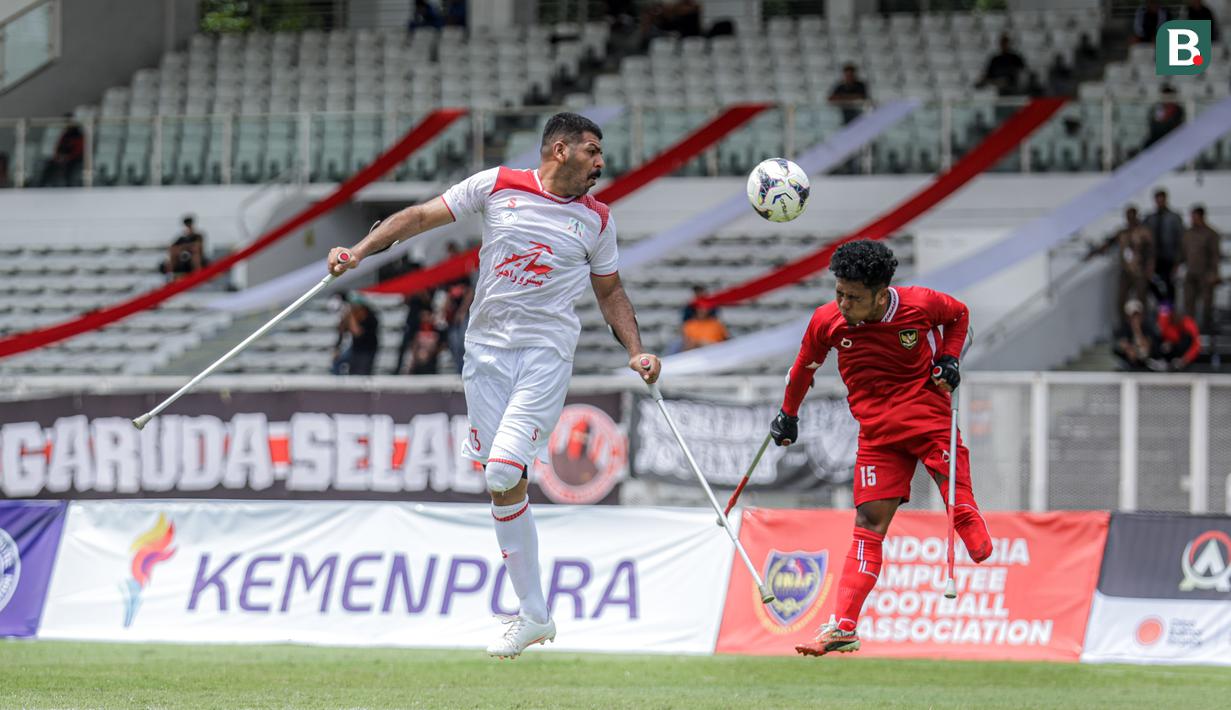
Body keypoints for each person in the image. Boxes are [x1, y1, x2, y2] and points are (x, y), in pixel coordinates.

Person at [326, 112, 661, 659]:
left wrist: (636, 350)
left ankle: (531, 614)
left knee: (506, 467)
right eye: (592, 151)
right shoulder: (497, 184)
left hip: (545, 353)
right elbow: (416, 217)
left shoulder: (598, 221)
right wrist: (357, 253)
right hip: (483, 353)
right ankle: (535, 615)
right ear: (559, 150)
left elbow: (611, 292)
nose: (601, 164)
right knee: (500, 485)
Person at [769, 240, 993, 658]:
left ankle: (965, 516)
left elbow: (960, 316)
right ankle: (843, 628)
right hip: (876, 433)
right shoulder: (827, 322)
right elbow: (803, 368)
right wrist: (788, 414)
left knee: (956, 497)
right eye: (838, 293)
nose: (843, 303)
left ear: (880, 293)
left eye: (853, 297)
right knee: (868, 523)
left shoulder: (920, 304)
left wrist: (949, 358)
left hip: (926, 415)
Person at [1090, 206, 1155, 314]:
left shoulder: (1144, 233)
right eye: (1128, 216)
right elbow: (1109, 243)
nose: (1130, 219)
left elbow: (1151, 252)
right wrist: (1097, 251)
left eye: (1132, 216)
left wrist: (1149, 267)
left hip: (1140, 270)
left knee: (1141, 299)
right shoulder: (1123, 233)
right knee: (1121, 299)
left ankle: (1143, 324)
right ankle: (1124, 325)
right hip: (1126, 270)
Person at [1180, 205, 1221, 334]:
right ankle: (1189, 329)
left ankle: (1206, 328)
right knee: (1188, 302)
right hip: (1191, 272)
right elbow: (1182, 252)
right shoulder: (1188, 233)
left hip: (1205, 273)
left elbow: (1215, 255)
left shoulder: (1210, 234)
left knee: (1206, 303)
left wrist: (1214, 273)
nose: (1192, 219)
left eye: (1195, 217)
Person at [1144, 189, 1184, 303]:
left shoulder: (1174, 218)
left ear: (1166, 200)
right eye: (1158, 200)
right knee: (1149, 282)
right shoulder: (1150, 218)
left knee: (1170, 284)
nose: (1160, 202)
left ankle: (1170, 311)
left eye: (1162, 200)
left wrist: (1178, 260)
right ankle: (1162, 303)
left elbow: (1180, 239)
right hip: (1154, 257)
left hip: (1169, 257)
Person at [1154, 302, 1201, 371]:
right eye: (1174, 315)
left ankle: (1178, 363)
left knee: (1187, 338)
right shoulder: (1165, 320)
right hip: (1170, 352)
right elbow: (1161, 335)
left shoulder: (1188, 324)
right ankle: (1161, 361)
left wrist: (1185, 359)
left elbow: (1196, 345)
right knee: (1158, 338)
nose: (1176, 318)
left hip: (1184, 355)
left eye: (1178, 316)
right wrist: (1169, 343)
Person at [38, 120, 84, 187]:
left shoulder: (79, 136)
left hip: (75, 159)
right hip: (62, 157)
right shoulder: (65, 135)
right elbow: (58, 147)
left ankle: (69, 185)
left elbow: (79, 150)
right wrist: (58, 157)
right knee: (50, 165)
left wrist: (68, 157)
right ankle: (43, 184)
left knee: (70, 167)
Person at [1113, 299, 1157, 370]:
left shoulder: (1147, 327)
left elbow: (1147, 347)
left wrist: (1137, 330)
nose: (1135, 318)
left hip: (1145, 363)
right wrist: (1130, 349)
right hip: (1127, 363)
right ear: (1128, 317)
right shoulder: (1123, 328)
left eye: (1137, 315)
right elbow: (1122, 344)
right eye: (1133, 316)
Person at [159, 215, 206, 279]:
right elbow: (172, 247)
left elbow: (197, 246)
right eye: (187, 225)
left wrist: (184, 247)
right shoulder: (182, 238)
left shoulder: (197, 236)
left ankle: (198, 274)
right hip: (182, 258)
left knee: (195, 254)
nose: (188, 226)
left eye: (189, 225)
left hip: (195, 258)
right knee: (173, 252)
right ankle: (172, 275)